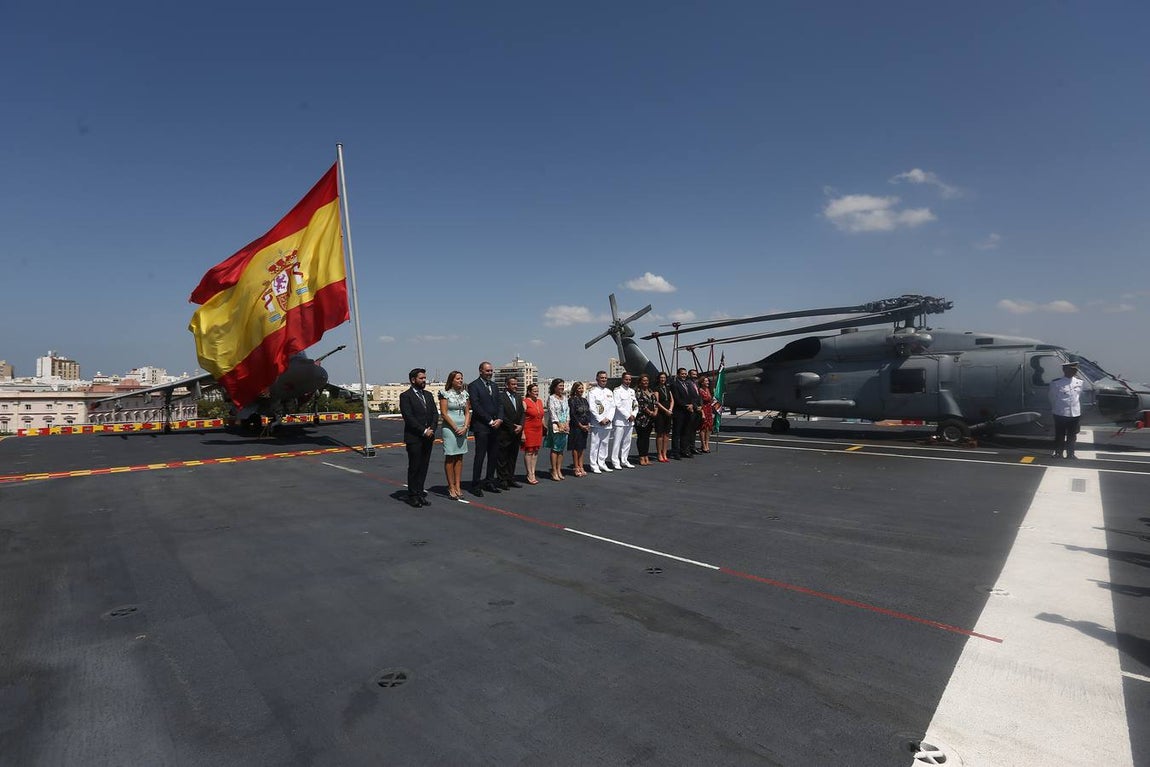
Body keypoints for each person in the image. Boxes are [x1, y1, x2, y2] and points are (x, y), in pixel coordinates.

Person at [399, 367, 438, 507]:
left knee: (424, 466)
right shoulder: (405, 396)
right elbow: (408, 417)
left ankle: (420, 493)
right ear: (413, 380)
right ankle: (413, 495)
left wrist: (432, 429)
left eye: (424, 378)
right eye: (421, 378)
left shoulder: (428, 395)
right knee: (415, 467)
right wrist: (423, 430)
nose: (424, 380)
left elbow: (435, 413)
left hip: (428, 437)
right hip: (414, 438)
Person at [467, 362, 503, 497]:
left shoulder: (494, 386)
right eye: (487, 371)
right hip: (482, 427)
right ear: (480, 371)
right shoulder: (474, 385)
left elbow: (500, 404)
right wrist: (490, 420)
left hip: (495, 427)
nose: (490, 373)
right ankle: (475, 484)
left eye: (491, 371)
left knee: (493, 456)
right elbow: (476, 406)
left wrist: (500, 419)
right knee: (480, 457)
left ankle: (489, 481)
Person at [438, 370, 470, 500]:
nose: (460, 380)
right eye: (458, 378)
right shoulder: (445, 394)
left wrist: (465, 427)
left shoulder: (465, 394)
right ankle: (451, 486)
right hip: (450, 429)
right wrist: (456, 427)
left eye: (461, 378)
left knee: (459, 457)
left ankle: (458, 485)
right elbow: (444, 413)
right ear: (451, 380)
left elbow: (467, 412)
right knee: (450, 457)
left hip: (463, 428)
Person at [1049, 361, 1084, 459]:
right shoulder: (1056, 383)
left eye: (1075, 370)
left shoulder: (1080, 382)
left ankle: (1070, 454)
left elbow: (1078, 396)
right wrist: (1057, 408)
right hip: (1061, 412)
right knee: (1060, 434)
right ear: (1064, 370)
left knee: (1072, 435)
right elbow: (1052, 397)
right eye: (1072, 369)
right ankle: (1058, 453)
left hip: (1075, 413)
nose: (1074, 371)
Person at [496, 376, 525, 488]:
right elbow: (501, 414)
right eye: (513, 384)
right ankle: (502, 479)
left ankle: (510, 478)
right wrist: (513, 426)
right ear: (507, 385)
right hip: (505, 432)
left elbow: (522, 413)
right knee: (502, 458)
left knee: (513, 457)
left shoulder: (518, 397)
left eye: (516, 384)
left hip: (516, 433)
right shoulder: (501, 397)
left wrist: (521, 426)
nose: (515, 386)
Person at [586, 370, 615, 473]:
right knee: (595, 444)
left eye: (605, 378)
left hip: (607, 423)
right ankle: (594, 465)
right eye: (602, 378)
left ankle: (602, 463)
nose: (604, 380)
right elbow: (592, 407)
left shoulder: (609, 392)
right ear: (597, 379)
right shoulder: (592, 392)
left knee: (605, 444)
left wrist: (609, 419)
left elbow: (612, 407)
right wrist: (600, 419)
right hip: (597, 423)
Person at [670, 367, 699, 458]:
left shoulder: (687, 384)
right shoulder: (674, 384)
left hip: (688, 411)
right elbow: (676, 398)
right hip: (679, 412)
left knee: (685, 432)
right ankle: (675, 452)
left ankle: (684, 450)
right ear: (678, 374)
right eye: (682, 374)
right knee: (676, 433)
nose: (684, 375)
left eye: (685, 374)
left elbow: (691, 396)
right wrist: (686, 406)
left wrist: (692, 405)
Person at [611, 373, 637, 469]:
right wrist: (627, 415)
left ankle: (624, 460)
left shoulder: (632, 391)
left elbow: (635, 404)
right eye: (626, 379)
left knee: (627, 442)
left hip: (630, 421)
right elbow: (618, 405)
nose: (628, 381)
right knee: (617, 442)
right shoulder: (617, 390)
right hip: (620, 421)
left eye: (629, 380)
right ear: (622, 379)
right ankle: (615, 461)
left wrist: (633, 414)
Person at [521, 382, 545, 484]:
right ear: (529, 392)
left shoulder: (539, 401)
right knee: (529, 451)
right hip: (528, 429)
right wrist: (522, 433)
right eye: (534, 391)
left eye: (537, 391)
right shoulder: (525, 402)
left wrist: (545, 427)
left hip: (538, 430)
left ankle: (533, 472)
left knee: (535, 451)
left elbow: (542, 416)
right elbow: (522, 418)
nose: (536, 393)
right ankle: (529, 473)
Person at [546, 379, 570, 481]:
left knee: (561, 449)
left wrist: (567, 423)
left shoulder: (564, 398)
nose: (561, 387)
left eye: (562, 385)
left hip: (564, 424)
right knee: (555, 448)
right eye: (560, 385)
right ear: (554, 387)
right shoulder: (551, 398)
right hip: (556, 425)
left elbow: (567, 411)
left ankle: (559, 469)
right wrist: (559, 424)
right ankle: (554, 470)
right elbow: (552, 412)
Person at [568, 381, 591, 477]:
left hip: (585, 427)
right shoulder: (572, 400)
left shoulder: (584, 400)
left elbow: (588, 413)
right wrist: (580, 425)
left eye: (582, 388)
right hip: (576, 427)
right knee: (575, 448)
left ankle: (581, 466)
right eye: (579, 388)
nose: (581, 390)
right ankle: (576, 466)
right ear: (575, 390)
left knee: (582, 447)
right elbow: (572, 414)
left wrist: (588, 424)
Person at [634, 374, 657, 465]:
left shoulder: (650, 391)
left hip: (650, 419)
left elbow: (655, 402)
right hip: (641, 419)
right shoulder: (638, 392)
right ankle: (641, 457)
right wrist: (650, 412)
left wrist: (655, 411)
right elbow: (641, 405)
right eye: (644, 380)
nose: (645, 382)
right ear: (640, 382)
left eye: (647, 380)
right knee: (641, 438)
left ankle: (646, 455)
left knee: (647, 438)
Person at [653, 371, 673, 463]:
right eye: (661, 378)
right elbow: (657, 402)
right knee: (660, 434)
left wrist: (670, 409)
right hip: (661, 413)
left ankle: (664, 453)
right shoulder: (656, 388)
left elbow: (672, 400)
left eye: (664, 378)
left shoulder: (668, 388)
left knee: (667, 434)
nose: (663, 379)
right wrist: (666, 410)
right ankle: (659, 454)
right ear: (658, 379)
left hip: (668, 413)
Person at [697, 375, 715, 453]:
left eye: (708, 381)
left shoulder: (708, 390)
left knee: (709, 427)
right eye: (706, 381)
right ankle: (703, 444)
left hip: (709, 409)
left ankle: (707, 443)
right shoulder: (700, 391)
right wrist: (702, 413)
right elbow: (700, 403)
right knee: (703, 428)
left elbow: (711, 400)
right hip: (703, 409)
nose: (707, 382)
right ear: (702, 382)